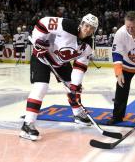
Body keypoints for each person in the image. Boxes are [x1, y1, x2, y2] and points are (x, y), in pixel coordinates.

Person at [20, 13, 99, 141]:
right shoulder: (67, 25)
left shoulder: (88, 45)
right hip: (42, 57)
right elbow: (44, 22)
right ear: (81, 24)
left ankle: (78, 114)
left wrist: (75, 85)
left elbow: (80, 65)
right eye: (87, 25)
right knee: (41, 88)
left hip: (61, 62)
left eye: (92, 28)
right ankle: (27, 125)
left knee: (72, 87)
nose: (88, 29)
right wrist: (38, 40)